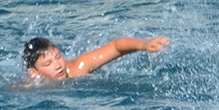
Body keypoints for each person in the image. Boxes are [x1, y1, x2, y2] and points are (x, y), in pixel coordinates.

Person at [23, 35, 171, 81]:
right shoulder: (29, 89)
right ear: (34, 72)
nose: (58, 65)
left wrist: (143, 45)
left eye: (58, 56)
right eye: (48, 63)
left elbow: (115, 47)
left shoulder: (78, 67)